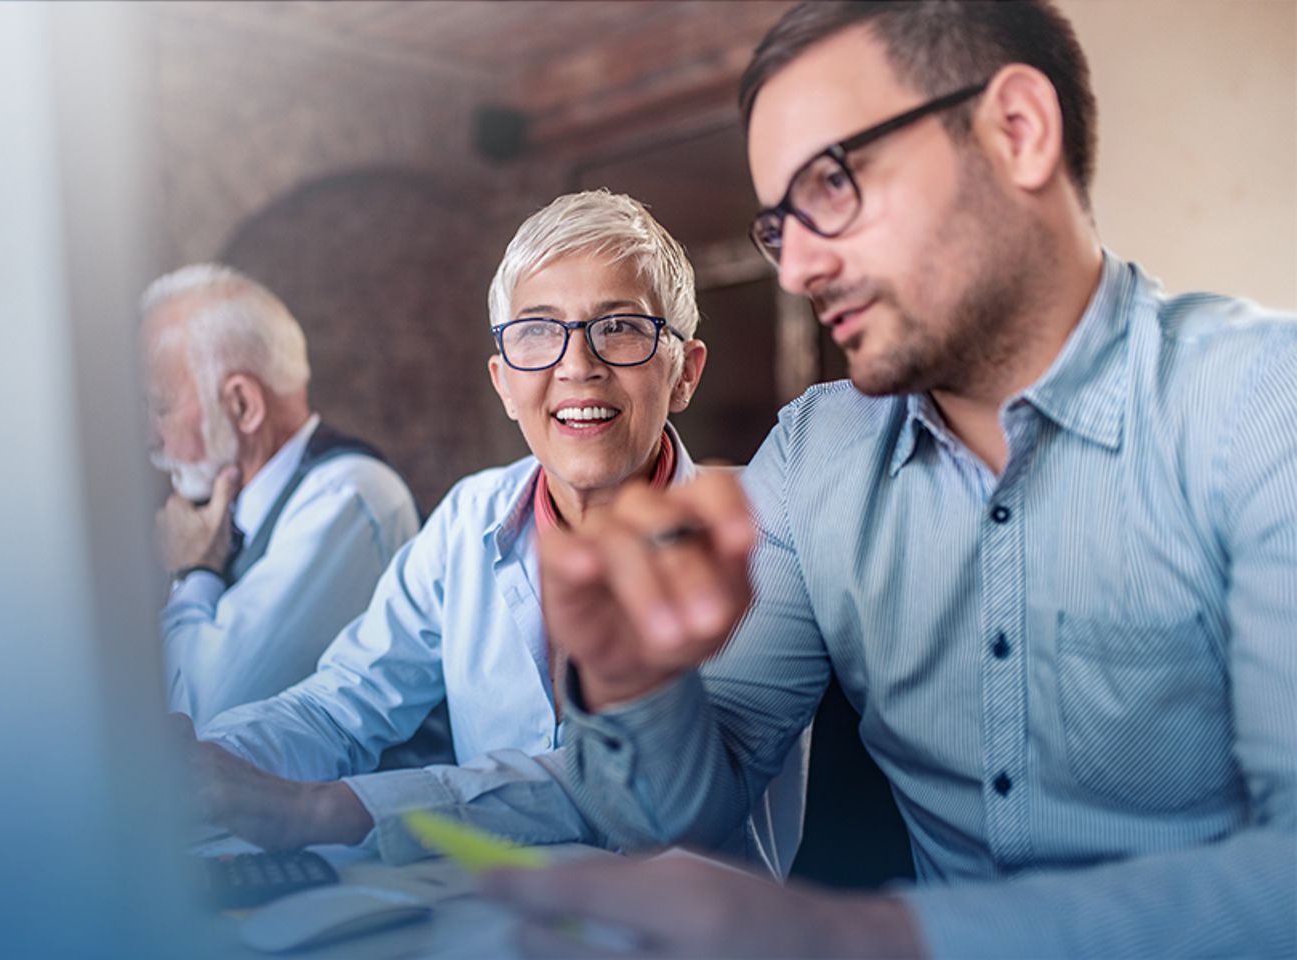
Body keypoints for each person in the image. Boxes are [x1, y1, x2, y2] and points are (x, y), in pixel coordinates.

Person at [482, 3, 1297, 957]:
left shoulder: (1262, 406)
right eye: (781, 224)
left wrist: (864, 935)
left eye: (834, 184)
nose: (798, 271)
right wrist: (631, 680)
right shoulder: (814, 452)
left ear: (1017, 132)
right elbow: (693, 812)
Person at [187, 192, 811, 870]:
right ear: (505, 383)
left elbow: (638, 794)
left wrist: (325, 809)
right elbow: (344, 704)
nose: (578, 366)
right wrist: (208, 762)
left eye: (622, 327)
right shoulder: (467, 518)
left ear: (684, 372)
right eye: (538, 331)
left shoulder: (759, 524)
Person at [143, 264, 420, 728]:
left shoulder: (349, 497)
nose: (151, 439)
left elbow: (199, 718)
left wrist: (193, 572)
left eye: (160, 407)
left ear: (242, 405)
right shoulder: (227, 515)